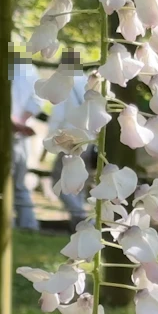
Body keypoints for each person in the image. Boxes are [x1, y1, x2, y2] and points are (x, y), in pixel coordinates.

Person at [46, 67, 94, 227]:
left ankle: (80, 215)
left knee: (59, 179)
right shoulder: (91, 82)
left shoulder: (65, 84)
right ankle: (80, 221)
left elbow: (58, 114)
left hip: (70, 138)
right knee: (79, 181)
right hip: (90, 138)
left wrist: (52, 138)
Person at [10, 57, 42, 230]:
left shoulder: (27, 69)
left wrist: (16, 123)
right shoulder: (30, 70)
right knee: (18, 183)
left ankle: (21, 224)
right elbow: (37, 99)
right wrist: (21, 122)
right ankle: (28, 224)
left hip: (13, 131)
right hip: (20, 131)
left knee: (11, 180)